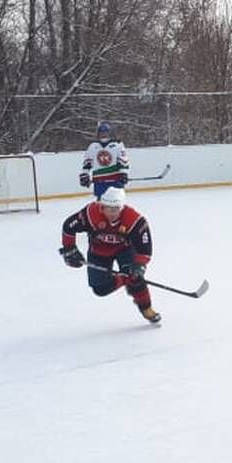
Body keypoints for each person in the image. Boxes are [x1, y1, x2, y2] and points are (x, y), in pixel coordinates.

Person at [59, 187, 160, 324]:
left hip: (124, 249)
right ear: (101, 206)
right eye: (107, 208)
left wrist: (139, 266)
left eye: (115, 209)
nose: (111, 212)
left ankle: (146, 308)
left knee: (136, 278)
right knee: (100, 289)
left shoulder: (135, 220)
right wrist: (70, 249)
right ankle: (125, 278)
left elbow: (144, 249)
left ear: (121, 207)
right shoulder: (90, 213)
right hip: (99, 250)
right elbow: (68, 227)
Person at [80, 120, 130, 196]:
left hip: (115, 181)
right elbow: (87, 163)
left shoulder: (118, 145)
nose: (103, 134)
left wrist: (124, 174)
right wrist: (85, 175)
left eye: (106, 132)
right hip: (99, 182)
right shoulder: (93, 146)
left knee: (117, 204)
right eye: (101, 132)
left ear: (110, 133)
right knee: (101, 205)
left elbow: (123, 161)